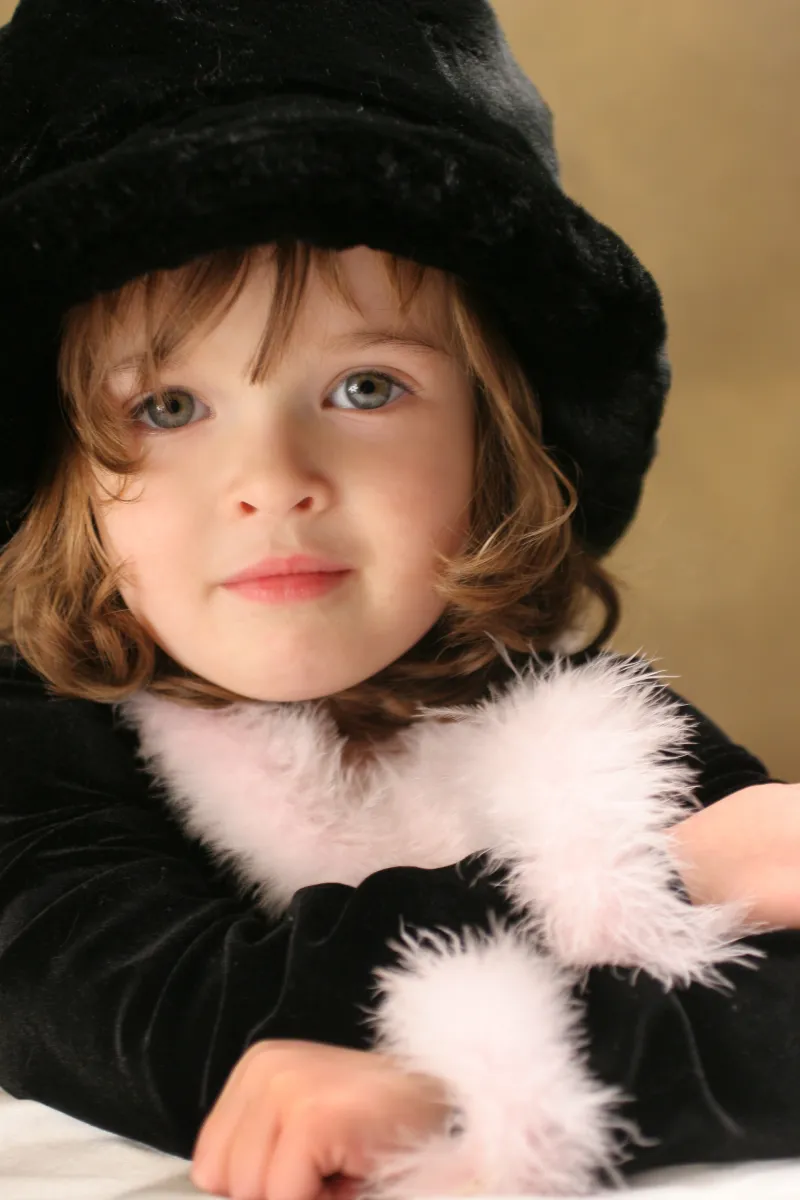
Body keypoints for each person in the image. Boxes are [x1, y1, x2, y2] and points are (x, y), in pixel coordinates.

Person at [0, 2, 799, 1198]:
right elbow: (184, 1016)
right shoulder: (35, 759)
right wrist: (662, 876)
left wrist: (475, 1090)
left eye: (365, 387)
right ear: (68, 476)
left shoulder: (601, 738)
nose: (274, 482)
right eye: (168, 407)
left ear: (492, 439)